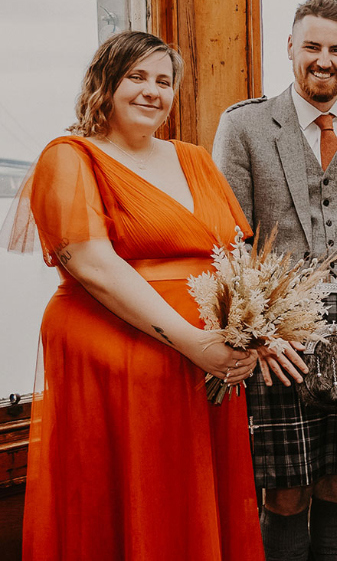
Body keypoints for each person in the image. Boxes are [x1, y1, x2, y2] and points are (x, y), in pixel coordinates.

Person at [1, 30, 266, 559]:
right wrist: (194, 342)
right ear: (104, 83)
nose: (152, 91)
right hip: (117, 362)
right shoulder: (71, 157)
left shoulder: (193, 158)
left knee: (193, 497)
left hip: (204, 366)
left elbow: (236, 256)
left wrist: (256, 335)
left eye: (164, 81)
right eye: (136, 77)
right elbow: (96, 267)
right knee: (127, 498)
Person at [213, 0, 337, 561]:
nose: (324, 59)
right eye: (312, 46)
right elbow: (231, 238)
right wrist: (260, 333)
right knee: (287, 487)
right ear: (290, 48)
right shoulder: (244, 125)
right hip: (282, 330)